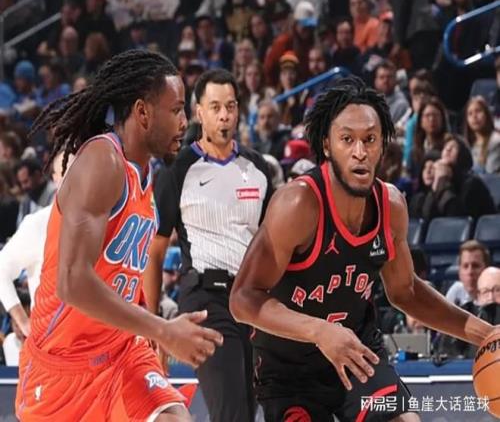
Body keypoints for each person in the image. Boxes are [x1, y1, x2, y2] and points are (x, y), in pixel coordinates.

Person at [229, 76, 497, 422]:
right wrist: (318, 331)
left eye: (370, 139)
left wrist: (486, 334)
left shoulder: (391, 206)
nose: (360, 152)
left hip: (359, 357)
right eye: (347, 139)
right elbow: (243, 299)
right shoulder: (297, 204)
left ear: (383, 145)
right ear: (326, 145)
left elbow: (406, 291)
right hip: (288, 369)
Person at [15, 50, 223, 422]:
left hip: (122, 351)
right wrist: (163, 329)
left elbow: (122, 273)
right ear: (143, 112)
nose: (185, 122)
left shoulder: (147, 175)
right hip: (62, 367)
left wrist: (152, 329)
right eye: (176, 110)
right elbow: (72, 282)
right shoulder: (102, 160)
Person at [144, 68, 273, 422]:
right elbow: (154, 253)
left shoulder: (258, 168)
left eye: (230, 106)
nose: (224, 115)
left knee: (249, 408)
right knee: (231, 412)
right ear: (199, 112)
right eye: (215, 107)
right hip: (206, 299)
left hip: (254, 299)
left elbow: (272, 243)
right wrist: (155, 326)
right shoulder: (177, 169)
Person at [0, 151, 73, 341]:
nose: (74, 178)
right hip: (52, 342)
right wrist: (23, 322)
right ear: (55, 179)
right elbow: (1, 270)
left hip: (95, 343)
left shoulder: (105, 221)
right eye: (66, 171)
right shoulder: (38, 223)